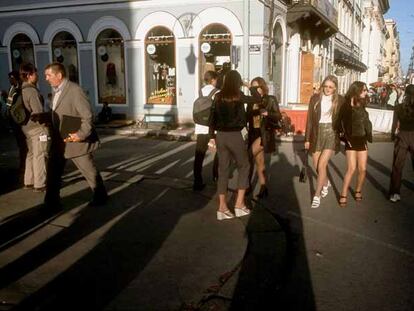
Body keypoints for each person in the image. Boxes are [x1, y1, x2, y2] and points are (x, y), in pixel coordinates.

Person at [43, 62, 107, 208]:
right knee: (53, 173)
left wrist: (81, 134)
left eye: (48, 75)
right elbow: (59, 111)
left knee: (89, 171)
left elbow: (87, 115)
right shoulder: (56, 90)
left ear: (59, 75)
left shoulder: (74, 90)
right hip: (59, 140)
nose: (46, 78)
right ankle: (51, 203)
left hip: (75, 140)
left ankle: (100, 196)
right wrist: (45, 116)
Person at [209, 70, 260, 220]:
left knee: (223, 170)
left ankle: (222, 208)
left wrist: (212, 137)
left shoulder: (218, 96)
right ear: (237, 82)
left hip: (221, 136)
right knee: (244, 166)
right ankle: (239, 204)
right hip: (235, 135)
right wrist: (249, 86)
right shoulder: (238, 96)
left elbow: (212, 117)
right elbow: (258, 99)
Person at [305, 75, 343, 208]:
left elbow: (346, 116)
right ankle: (326, 183)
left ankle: (317, 194)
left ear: (335, 88)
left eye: (331, 87)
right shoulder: (315, 98)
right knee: (316, 164)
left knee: (322, 165)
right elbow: (309, 119)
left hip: (331, 133)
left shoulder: (340, 100)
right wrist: (307, 138)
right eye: (325, 86)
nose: (327, 89)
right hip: (317, 132)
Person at [337, 81, 372, 207]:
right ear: (356, 90)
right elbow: (339, 122)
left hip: (362, 139)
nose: (366, 92)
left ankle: (358, 190)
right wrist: (344, 136)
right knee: (351, 168)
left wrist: (369, 132)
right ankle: (343, 193)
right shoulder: (346, 105)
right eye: (364, 90)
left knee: (362, 169)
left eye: (366, 90)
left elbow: (365, 121)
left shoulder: (362, 103)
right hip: (350, 140)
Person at [247, 77, 282, 198]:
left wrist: (267, 113)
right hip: (253, 134)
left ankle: (246, 186)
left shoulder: (270, 99)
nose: (254, 90)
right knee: (259, 162)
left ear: (262, 87)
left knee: (247, 157)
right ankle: (263, 187)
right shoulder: (251, 101)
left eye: (256, 87)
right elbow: (247, 118)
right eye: (252, 88)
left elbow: (278, 116)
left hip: (264, 134)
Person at [19, 63, 50, 192]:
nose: (37, 75)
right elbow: (38, 111)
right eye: (35, 73)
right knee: (40, 155)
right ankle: (40, 183)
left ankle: (29, 181)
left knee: (31, 154)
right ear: (30, 75)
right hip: (37, 128)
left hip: (26, 128)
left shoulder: (21, 89)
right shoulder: (32, 91)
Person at [193, 70, 219, 191]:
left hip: (200, 127)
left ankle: (197, 181)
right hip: (213, 128)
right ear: (213, 79)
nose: (217, 81)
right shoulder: (217, 92)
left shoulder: (199, 91)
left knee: (199, 155)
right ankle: (216, 177)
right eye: (216, 79)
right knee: (218, 153)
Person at [389, 84, 414, 202]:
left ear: (405, 94)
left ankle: (395, 192)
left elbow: (394, 124)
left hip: (402, 136)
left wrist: (392, 135)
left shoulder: (399, 107)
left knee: (397, 166)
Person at [6, 70, 28, 173]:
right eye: (10, 78)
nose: (11, 80)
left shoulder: (19, 90)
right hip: (14, 122)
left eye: (12, 78)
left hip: (19, 121)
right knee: (21, 145)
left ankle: (24, 165)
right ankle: (23, 165)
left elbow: (18, 107)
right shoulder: (12, 89)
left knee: (23, 145)